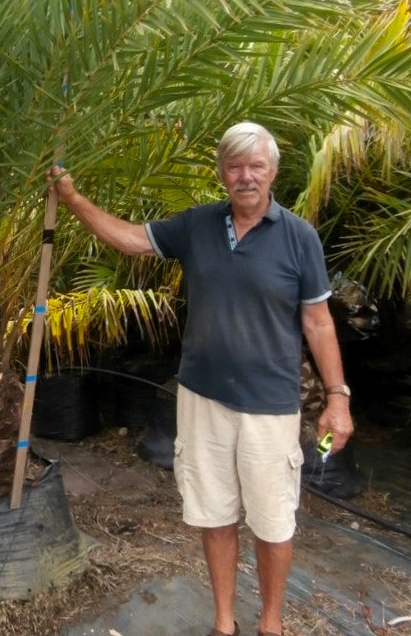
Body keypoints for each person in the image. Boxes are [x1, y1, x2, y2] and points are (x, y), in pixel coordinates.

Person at [48, 122, 354, 636]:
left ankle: (272, 623)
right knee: (214, 514)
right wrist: (73, 197)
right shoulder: (198, 226)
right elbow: (129, 241)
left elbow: (318, 320)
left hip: (269, 405)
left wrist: (337, 398)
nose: (246, 176)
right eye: (235, 166)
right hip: (202, 398)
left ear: (273, 172)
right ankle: (224, 622)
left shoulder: (298, 236)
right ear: (221, 174)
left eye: (256, 165)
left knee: (274, 522)